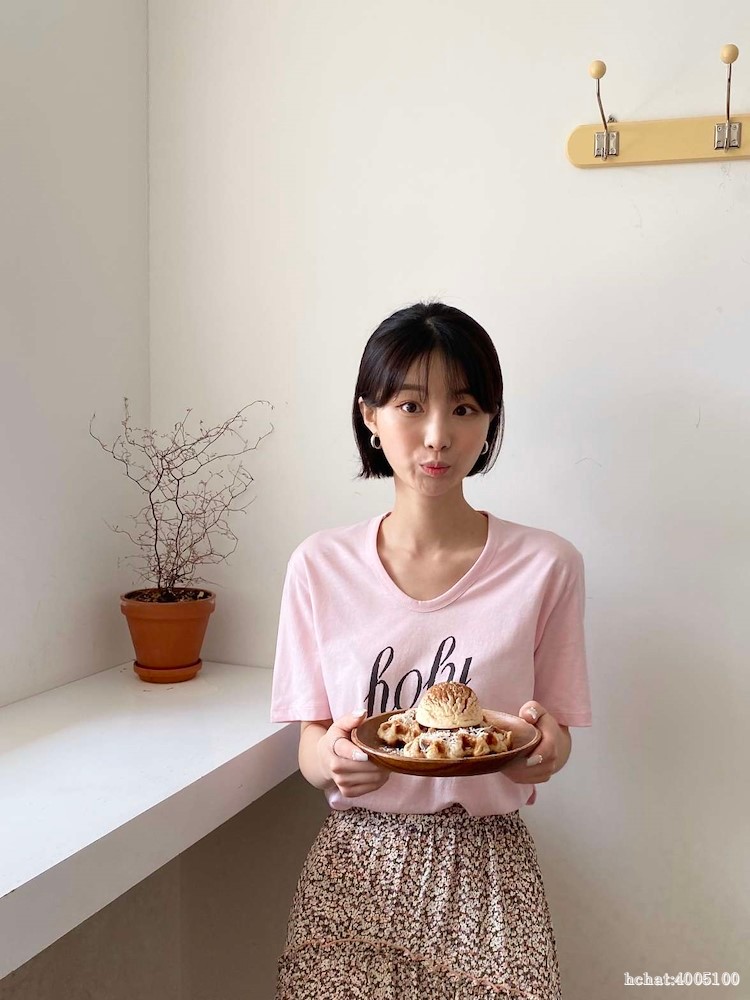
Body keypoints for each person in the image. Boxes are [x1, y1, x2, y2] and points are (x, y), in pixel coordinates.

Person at [270, 301, 591, 999]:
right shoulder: (319, 566)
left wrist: (546, 750)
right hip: (355, 873)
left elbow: (555, 737)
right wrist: (332, 761)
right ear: (370, 414)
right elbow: (310, 741)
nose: (438, 435)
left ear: (490, 420)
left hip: (490, 874)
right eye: (411, 405)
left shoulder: (547, 566)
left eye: (465, 408)